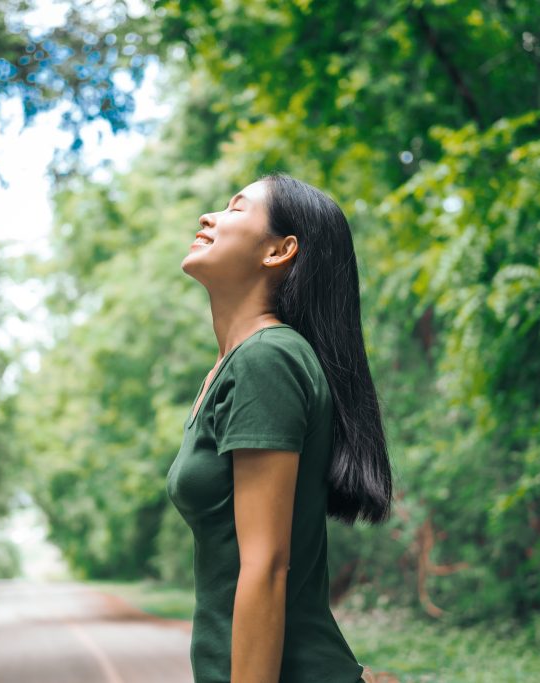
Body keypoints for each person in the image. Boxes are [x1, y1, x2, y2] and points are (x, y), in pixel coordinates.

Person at [165, 172, 392, 683]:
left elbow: (267, 565)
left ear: (278, 251)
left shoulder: (268, 360)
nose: (209, 217)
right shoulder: (236, 366)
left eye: (235, 208)